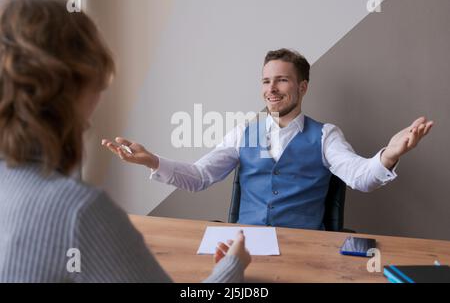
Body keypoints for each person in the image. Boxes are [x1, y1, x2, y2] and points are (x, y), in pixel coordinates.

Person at [0, 0, 250, 283]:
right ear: (79, 82)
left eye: (282, 80)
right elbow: (201, 174)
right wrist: (231, 267)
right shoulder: (79, 213)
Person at [103, 46, 434, 230]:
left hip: (306, 247)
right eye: (265, 81)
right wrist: (151, 161)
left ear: (302, 87)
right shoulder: (242, 132)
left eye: (281, 81)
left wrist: (389, 154)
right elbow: (201, 177)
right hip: (245, 243)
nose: (271, 90)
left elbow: (361, 178)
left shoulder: (326, 136)